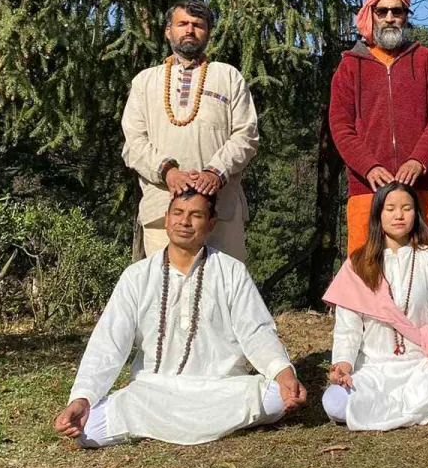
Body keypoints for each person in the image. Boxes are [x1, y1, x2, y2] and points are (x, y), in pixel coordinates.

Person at [52, 190, 307, 448]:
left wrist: (283, 374)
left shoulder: (231, 271)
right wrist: (82, 399)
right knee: (88, 430)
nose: (184, 222)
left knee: (277, 395)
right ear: (166, 219)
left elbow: (256, 332)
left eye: (196, 215)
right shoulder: (137, 276)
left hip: (219, 388)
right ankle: (203, 423)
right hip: (153, 391)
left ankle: (161, 425)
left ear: (211, 224)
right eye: (178, 213)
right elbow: (108, 343)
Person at [321, 181, 428, 431]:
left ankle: (384, 409)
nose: (399, 215)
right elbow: (348, 330)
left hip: (423, 365)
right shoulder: (357, 265)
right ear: (378, 214)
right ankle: (421, 406)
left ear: (416, 214)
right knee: (333, 402)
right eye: (390, 209)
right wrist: (343, 365)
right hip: (375, 368)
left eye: (407, 208)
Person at [329, 0, 428, 278]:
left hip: (419, 184)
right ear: (370, 14)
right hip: (367, 186)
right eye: (382, 11)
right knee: (367, 271)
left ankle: (426, 327)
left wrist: (419, 160)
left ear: (406, 16)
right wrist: (368, 166)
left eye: (397, 11)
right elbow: (340, 125)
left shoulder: (427, 61)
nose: (390, 18)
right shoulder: (350, 67)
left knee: (426, 270)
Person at [121, 0, 259, 261]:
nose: (189, 30)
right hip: (162, 208)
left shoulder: (228, 77)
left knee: (223, 290)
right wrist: (168, 172)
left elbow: (247, 135)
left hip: (221, 210)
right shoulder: (145, 81)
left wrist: (215, 172)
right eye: (182, 23)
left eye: (198, 25)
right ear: (167, 31)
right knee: (166, 291)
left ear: (208, 33)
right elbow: (133, 143)